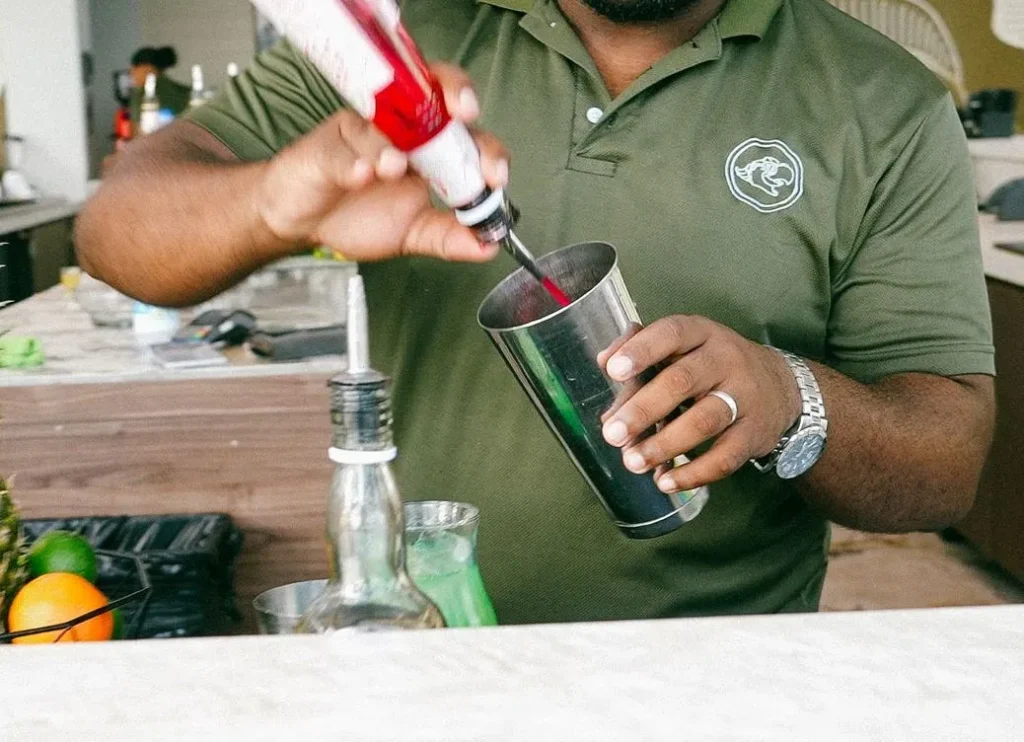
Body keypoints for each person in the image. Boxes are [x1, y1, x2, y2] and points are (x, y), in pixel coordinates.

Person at [76, 0, 996, 624]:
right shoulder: (413, 41)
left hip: (720, 676)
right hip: (434, 647)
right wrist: (278, 200)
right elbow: (116, 233)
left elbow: (946, 461)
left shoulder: (881, 105)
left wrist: (788, 401)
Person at [127, 46, 190, 134]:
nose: (132, 72)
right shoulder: (184, 91)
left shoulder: (143, 94)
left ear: (147, 68)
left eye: (135, 68)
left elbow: (138, 133)